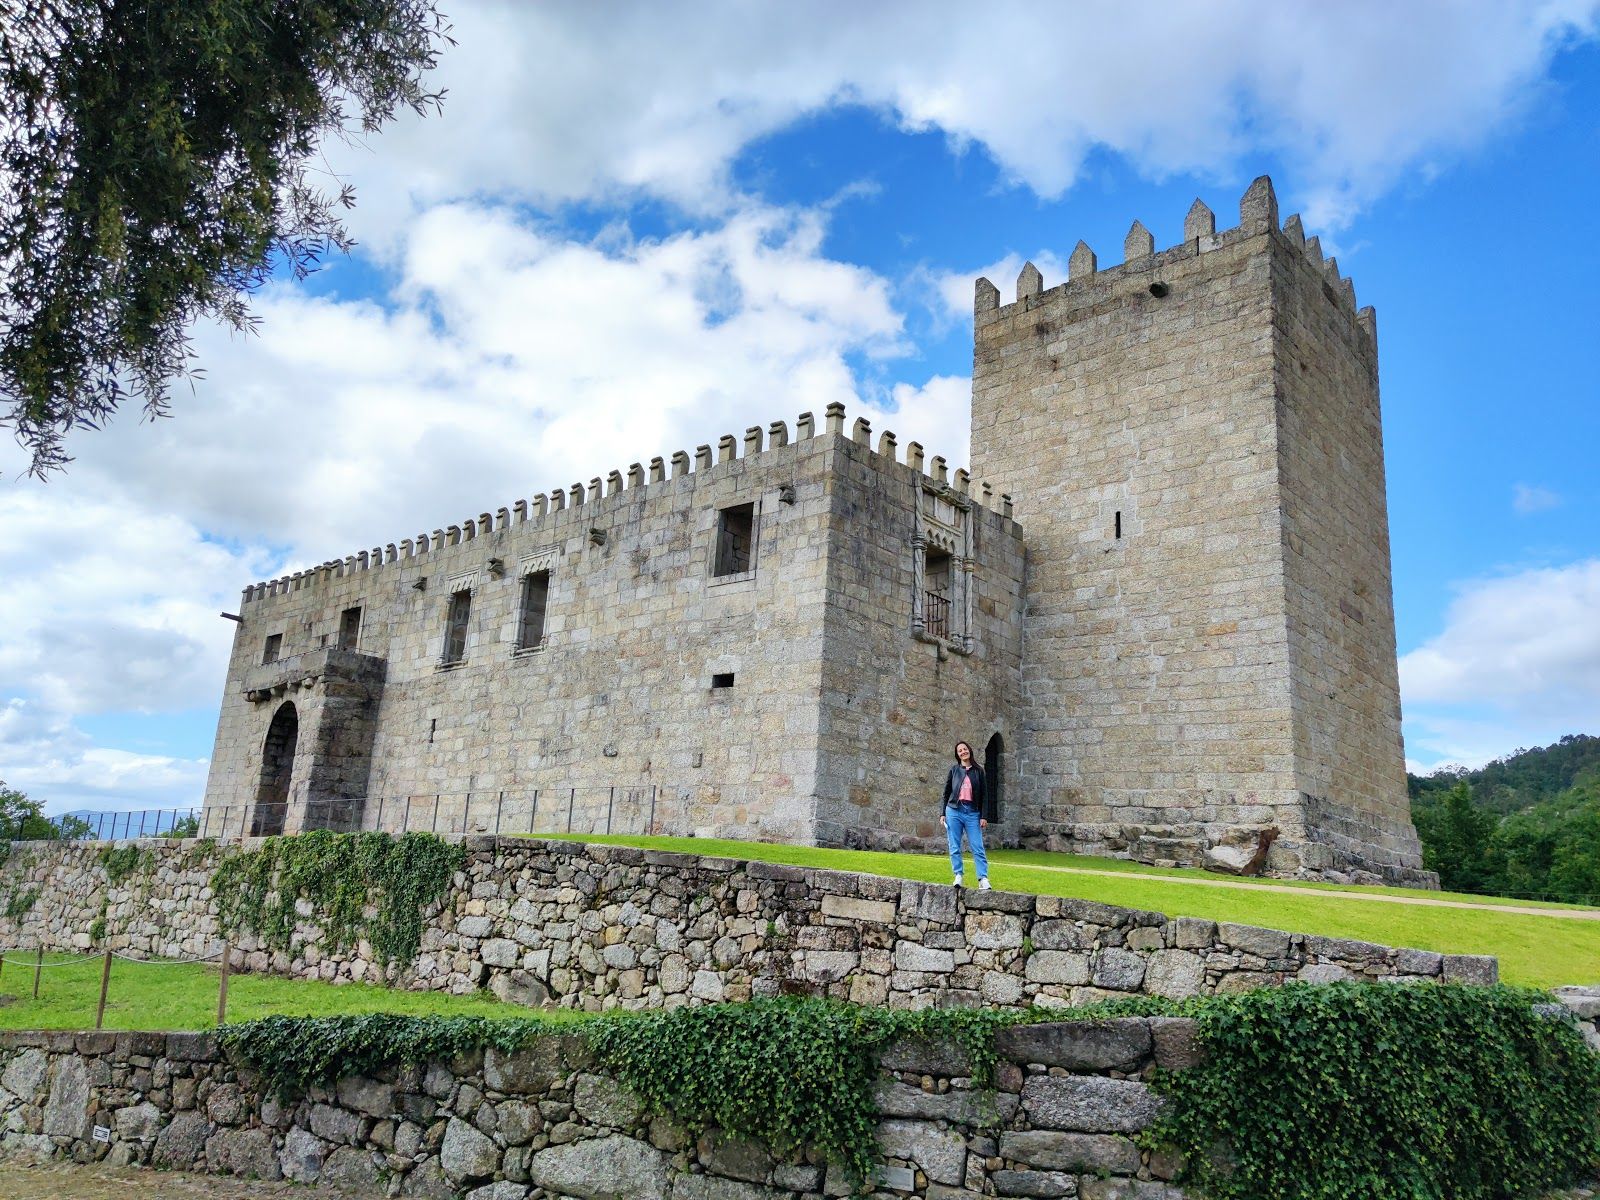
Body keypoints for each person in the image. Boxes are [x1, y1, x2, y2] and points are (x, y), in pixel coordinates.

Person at [941, 740, 990, 890]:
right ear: (957, 755)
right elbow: (946, 793)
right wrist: (943, 813)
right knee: (954, 845)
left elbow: (984, 795)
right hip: (953, 810)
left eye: (965, 749)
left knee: (977, 846)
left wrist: (984, 816)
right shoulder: (954, 770)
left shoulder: (979, 771)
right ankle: (958, 875)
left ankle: (983, 878)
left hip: (972, 812)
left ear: (969, 750)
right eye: (960, 751)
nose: (963, 752)